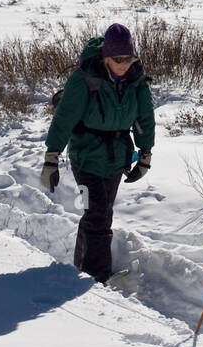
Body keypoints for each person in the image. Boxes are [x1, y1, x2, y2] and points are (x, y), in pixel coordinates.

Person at [40, 23, 155, 283]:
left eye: (129, 58)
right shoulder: (85, 79)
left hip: (116, 157)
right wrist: (51, 159)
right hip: (86, 157)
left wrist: (145, 155)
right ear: (106, 57)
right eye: (118, 59)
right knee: (97, 213)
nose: (124, 64)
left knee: (101, 214)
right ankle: (97, 278)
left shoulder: (136, 81)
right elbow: (64, 119)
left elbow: (144, 118)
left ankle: (81, 267)